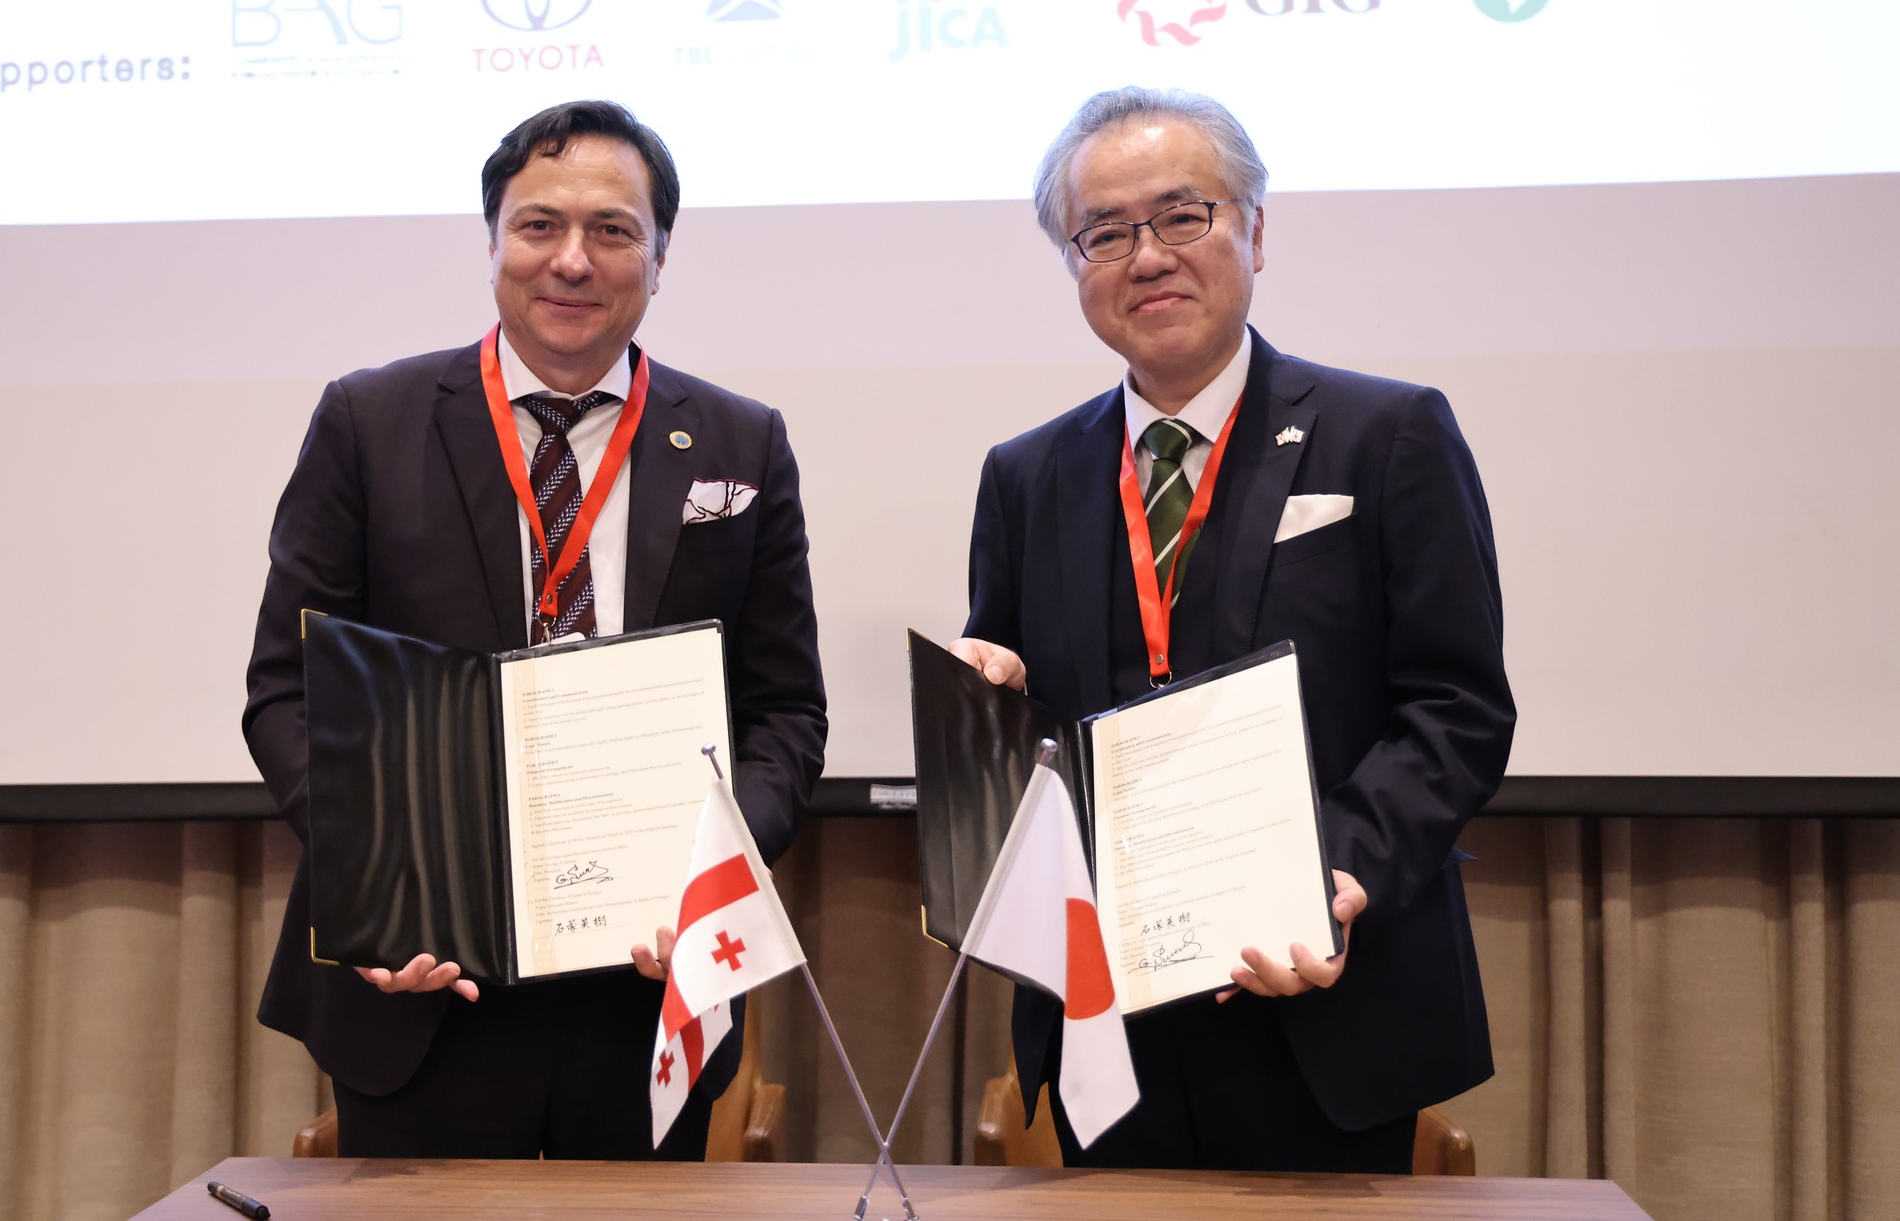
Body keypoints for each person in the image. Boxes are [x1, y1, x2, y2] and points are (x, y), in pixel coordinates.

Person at [243, 100, 827, 1160]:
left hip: (648, 985)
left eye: (612, 230)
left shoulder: (740, 441)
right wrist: (383, 876)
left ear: (659, 258)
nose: (571, 260)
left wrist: (717, 868)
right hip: (426, 981)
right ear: (492, 243)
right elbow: (288, 691)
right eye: (538, 225)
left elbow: (784, 711)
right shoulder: (368, 421)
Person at [951, 87, 1514, 1172]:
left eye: (1182, 215)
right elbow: (1022, 716)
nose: (1147, 256)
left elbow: (1456, 707)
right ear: (1073, 265)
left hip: (1324, 996)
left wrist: (1334, 870)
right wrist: (987, 702)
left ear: (1255, 230)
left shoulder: (1387, 433)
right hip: (1108, 1018)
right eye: (1104, 233)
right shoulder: (1026, 474)